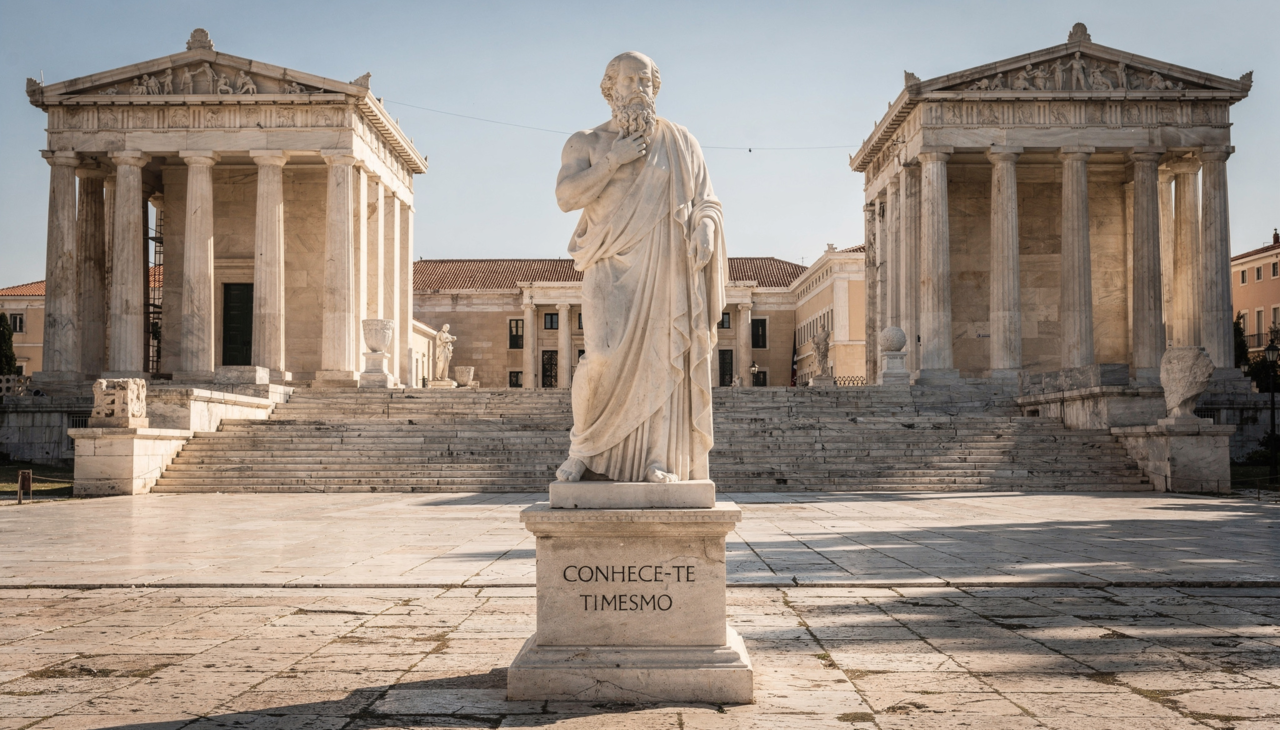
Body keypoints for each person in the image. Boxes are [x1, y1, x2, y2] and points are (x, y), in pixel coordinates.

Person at [553, 52, 726, 484]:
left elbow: (707, 199)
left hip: (665, 264)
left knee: (662, 360)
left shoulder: (681, 141)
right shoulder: (585, 142)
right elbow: (565, 197)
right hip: (608, 263)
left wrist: (706, 226)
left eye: (645, 79)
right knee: (600, 358)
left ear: (656, 86)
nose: (637, 88)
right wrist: (614, 160)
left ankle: (657, 459)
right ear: (610, 88)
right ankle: (583, 449)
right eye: (628, 80)